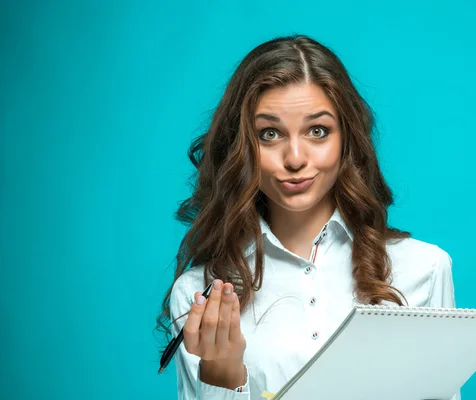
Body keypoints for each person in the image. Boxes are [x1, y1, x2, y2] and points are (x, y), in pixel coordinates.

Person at [156, 34, 459, 400]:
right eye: (269, 134)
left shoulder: (425, 268)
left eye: (318, 131)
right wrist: (224, 376)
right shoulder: (198, 296)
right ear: (242, 149)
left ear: (347, 139)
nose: (295, 158)